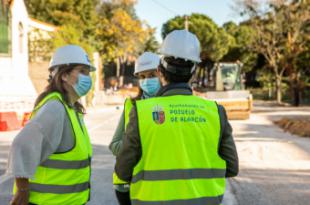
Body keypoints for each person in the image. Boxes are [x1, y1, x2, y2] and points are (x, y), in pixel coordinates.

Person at [114, 30, 239, 205]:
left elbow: (122, 171)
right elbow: (232, 167)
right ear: (194, 71)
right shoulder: (215, 112)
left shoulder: (141, 112)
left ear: (160, 71)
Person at [7, 45, 96, 205]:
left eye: (88, 72)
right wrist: (22, 191)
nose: (88, 77)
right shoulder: (55, 107)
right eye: (82, 71)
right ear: (64, 75)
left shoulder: (70, 107)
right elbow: (21, 146)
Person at [109, 52, 160, 205]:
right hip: (127, 184)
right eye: (142, 77)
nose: (146, 81)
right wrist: (139, 145)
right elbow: (114, 145)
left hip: (158, 184)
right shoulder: (131, 105)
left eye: (152, 75)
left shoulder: (170, 107)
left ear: (162, 75)